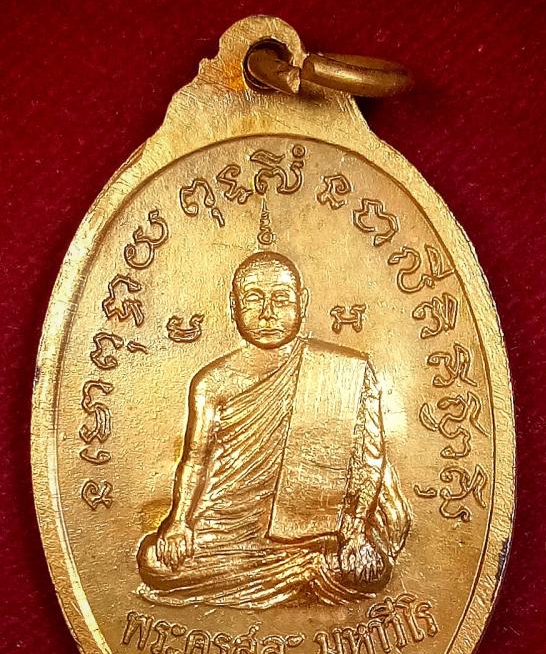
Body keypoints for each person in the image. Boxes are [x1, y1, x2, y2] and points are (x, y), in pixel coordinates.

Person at [138, 249, 411, 608]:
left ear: (302, 302)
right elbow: (195, 460)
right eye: (254, 299)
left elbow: (370, 460)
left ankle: (307, 563)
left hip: (315, 528)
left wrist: (357, 530)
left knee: (370, 570)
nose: (267, 313)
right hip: (230, 527)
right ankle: (306, 570)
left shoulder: (343, 371)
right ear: (234, 306)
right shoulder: (212, 383)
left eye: (281, 299)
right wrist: (178, 522)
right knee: (154, 562)